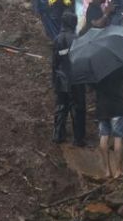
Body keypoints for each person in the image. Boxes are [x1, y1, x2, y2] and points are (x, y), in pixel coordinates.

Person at [51, 12, 86, 146]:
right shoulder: (77, 39)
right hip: (76, 79)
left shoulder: (57, 39)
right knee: (78, 109)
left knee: (61, 107)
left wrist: (54, 79)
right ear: (74, 23)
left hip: (61, 78)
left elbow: (55, 62)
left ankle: (58, 135)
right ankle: (78, 139)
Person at [96, 66, 123, 178]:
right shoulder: (119, 65)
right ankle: (118, 171)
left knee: (103, 136)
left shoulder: (97, 68)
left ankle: (107, 171)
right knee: (118, 137)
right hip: (117, 106)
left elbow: (93, 86)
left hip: (102, 107)